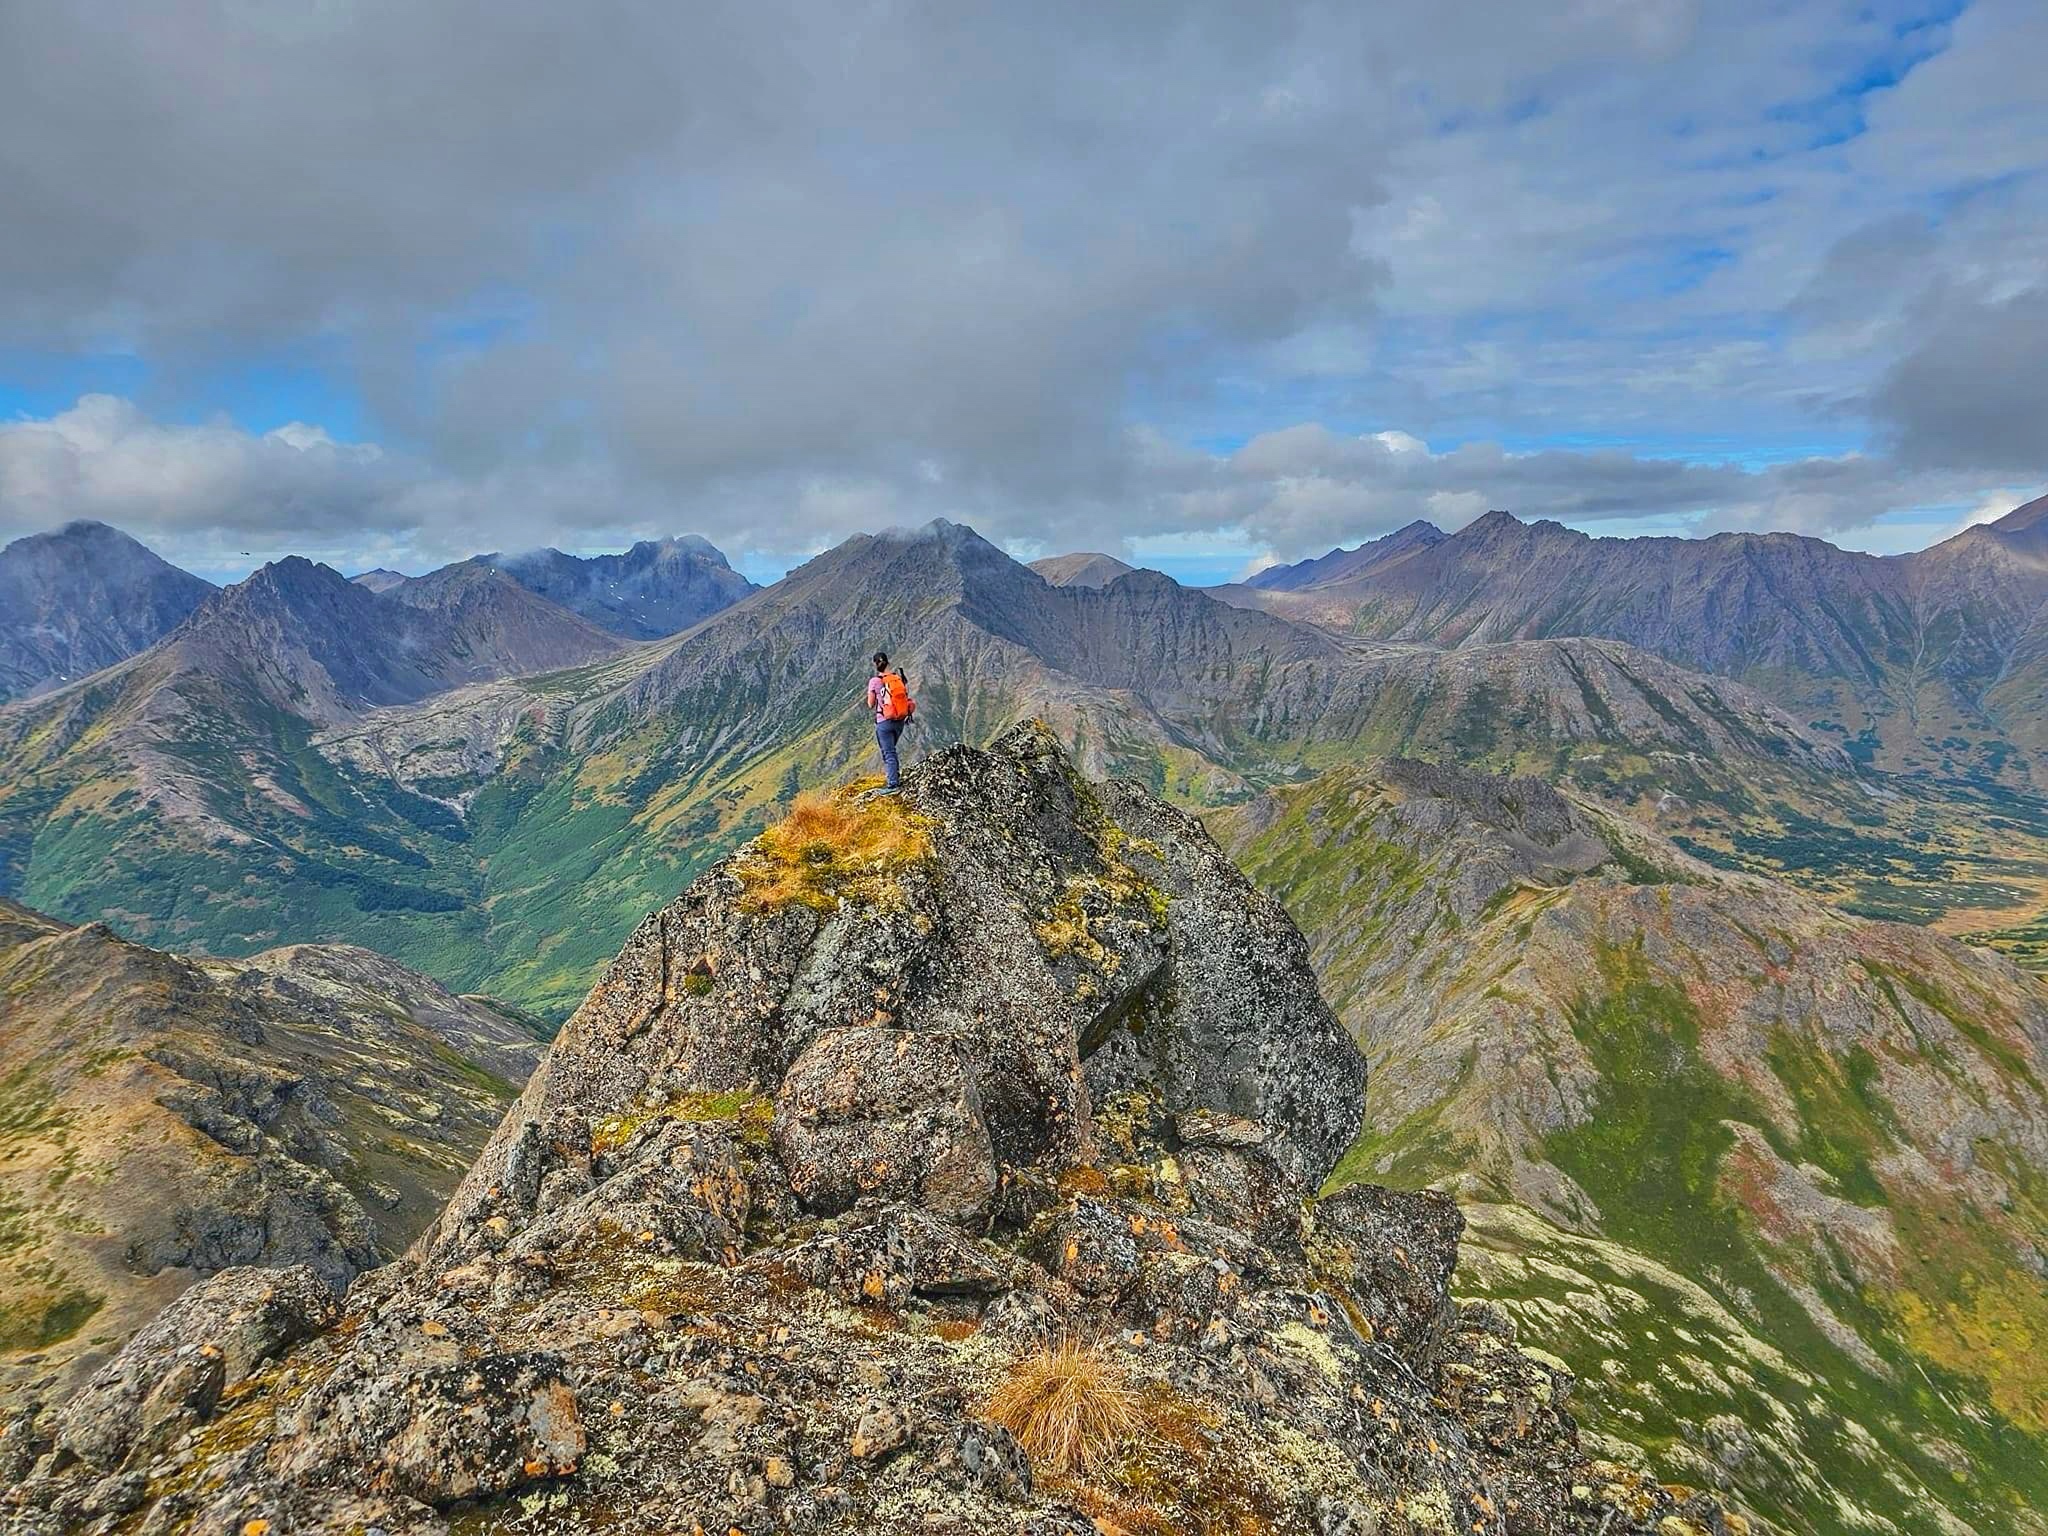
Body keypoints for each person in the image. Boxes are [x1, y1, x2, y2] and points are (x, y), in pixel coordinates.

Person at [865, 651, 915, 792]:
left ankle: (893, 784)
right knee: (891, 751)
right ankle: (894, 777)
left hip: (884, 722)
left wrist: (873, 694)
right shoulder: (897, 678)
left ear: (875, 664)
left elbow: (870, 704)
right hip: (899, 721)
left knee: (889, 753)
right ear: (888, 662)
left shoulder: (875, 681)